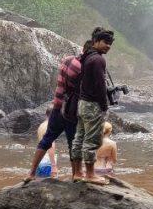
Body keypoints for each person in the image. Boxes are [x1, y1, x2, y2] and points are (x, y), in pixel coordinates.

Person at [27, 46, 85, 182]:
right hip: (70, 111)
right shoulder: (80, 66)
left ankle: (31, 173)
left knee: (47, 139)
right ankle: (76, 175)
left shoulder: (67, 60)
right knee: (74, 144)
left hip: (57, 106)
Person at [70, 27, 115, 185]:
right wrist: (104, 105)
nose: (108, 46)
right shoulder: (98, 60)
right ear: (96, 41)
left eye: (110, 43)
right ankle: (90, 175)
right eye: (105, 42)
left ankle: (77, 173)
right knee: (92, 141)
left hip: (82, 103)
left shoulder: (86, 56)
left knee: (79, 138)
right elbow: (99, 85)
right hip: (93, 105)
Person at [33, 109, 58, 178]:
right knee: (51, 186)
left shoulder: (42, 125)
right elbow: (50, 147)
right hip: (47, 162)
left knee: (40, 184)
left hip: (40, 160)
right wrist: (53, 165)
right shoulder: (50, 127)